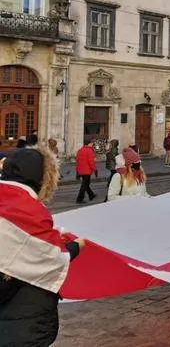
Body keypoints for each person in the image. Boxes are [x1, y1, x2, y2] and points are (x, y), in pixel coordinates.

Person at [0, 146, 86, 345]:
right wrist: (76, 247)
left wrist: (51, 238)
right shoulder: (30, 210)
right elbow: (51, 257)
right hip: (22, 321)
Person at [75, 138, 97, 204]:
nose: (92, 144)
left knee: (86, 183)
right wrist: (95, 169)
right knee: (85, 185)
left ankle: (91, 195)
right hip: (87, 171)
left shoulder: (80, 150)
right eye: (92, 143)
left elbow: (77, 161)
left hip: (81, 170)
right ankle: (79, 199)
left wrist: (77, 172)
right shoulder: (89, 151)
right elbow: (91, 162)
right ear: (89, 143)